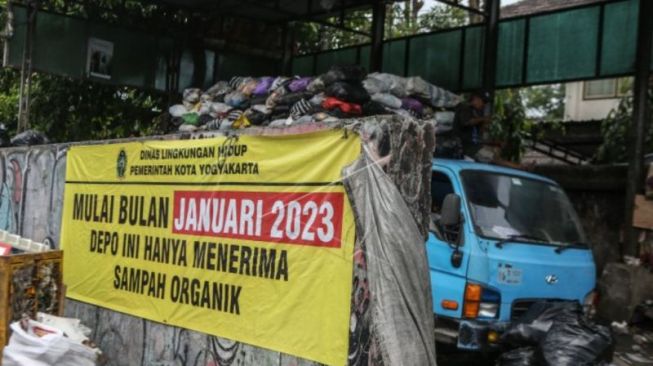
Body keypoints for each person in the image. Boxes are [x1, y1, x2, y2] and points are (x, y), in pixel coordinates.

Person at [452, 91, 492, 160]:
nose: (483, 104)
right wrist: (483, 119)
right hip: (465, 146)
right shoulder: (465, 108)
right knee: (492, 158)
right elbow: (466, 122)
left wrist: (484, 123)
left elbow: (480, 131)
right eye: (483, 101)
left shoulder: (476, 112)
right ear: (475, 99)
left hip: (474, 146)